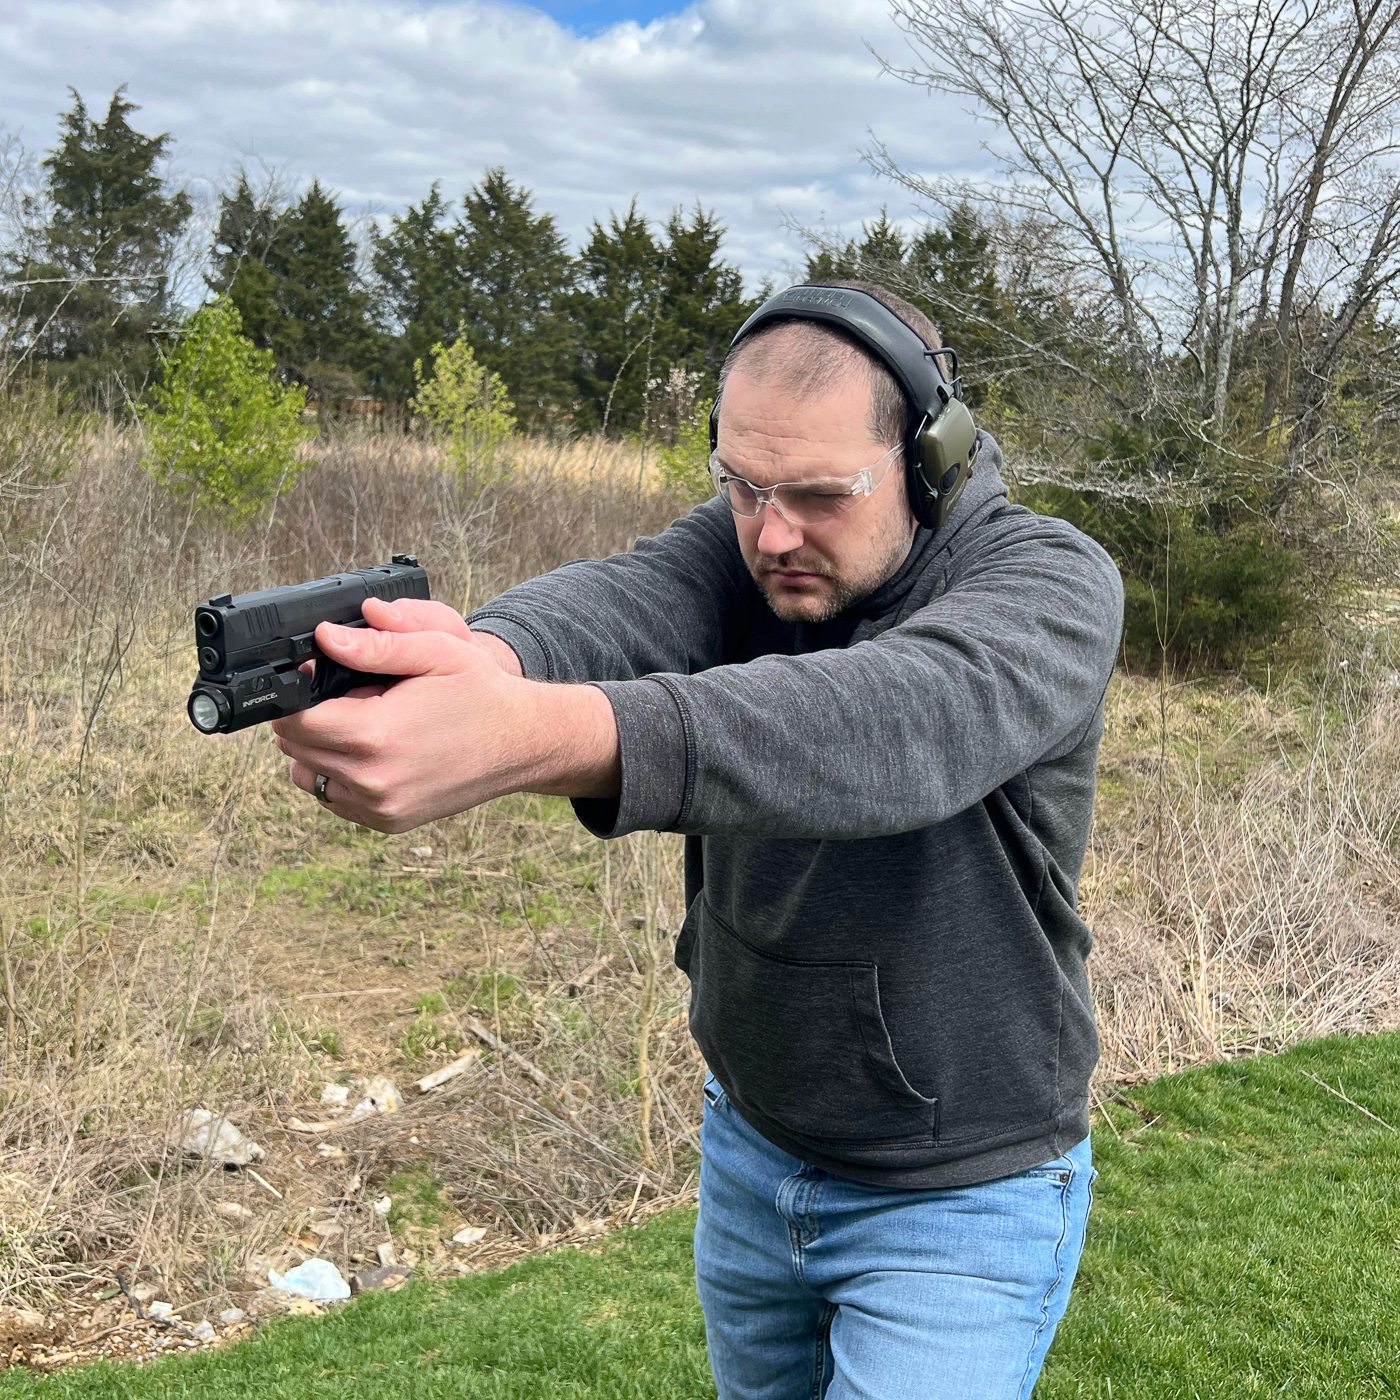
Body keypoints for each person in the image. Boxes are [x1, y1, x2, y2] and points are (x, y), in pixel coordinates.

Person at [272, 280, 1124, 1400]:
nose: (772, 533)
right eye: (740, 484)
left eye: (819, 494)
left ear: (931, 459)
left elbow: (892, 725)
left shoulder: (1049, 585)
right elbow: (626, 596)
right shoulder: (754, 545)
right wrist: (487, 657)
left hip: (961, 1190)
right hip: (752, 1142)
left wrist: (545, 734)